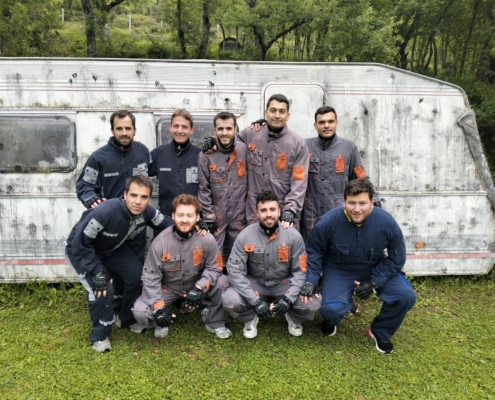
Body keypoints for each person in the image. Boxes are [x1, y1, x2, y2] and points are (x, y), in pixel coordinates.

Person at [301, 179, 416, 353]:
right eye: (352, 203)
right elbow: (314, 251)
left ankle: (380, 331)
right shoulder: (328, 221)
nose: (356, 209)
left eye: (362, 203)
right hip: (339, 269)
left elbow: (397, 257)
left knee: (405, 296)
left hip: (375, 268)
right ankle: (333, 318)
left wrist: (374, 281)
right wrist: (311, 280)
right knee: (331, 310)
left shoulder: (386, 221)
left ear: (372, 202)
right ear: (343, 201)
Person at [65, 175, 173, 352]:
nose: (138, 201)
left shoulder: (147, 212)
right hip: (82, 250)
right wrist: (97, 271)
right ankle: (99, 335)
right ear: (125, 194)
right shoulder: (104, 212)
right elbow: (80, 244)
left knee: (137, 276)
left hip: (111, 249)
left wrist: (192, 224)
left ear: (149, 199)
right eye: (133, 195)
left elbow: (167, 223)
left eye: (144, 197)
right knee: (102, 288)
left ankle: (126, 319)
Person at [222, 190, 321, 339]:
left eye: (272, 209)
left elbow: (301, 271)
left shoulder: (294, 236)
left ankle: (293, 317)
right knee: (230, 300)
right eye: (263, 210)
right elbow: (234, 270)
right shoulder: (245, 236)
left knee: (312, 303)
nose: (268, 214)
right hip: (255, 283)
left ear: (279, 211)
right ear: (257, 213)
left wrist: (288, 299)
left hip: (284, 283)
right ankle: (250, 317)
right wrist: (255, 302)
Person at [132, 194, 231, 339]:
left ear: (197, 217)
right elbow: (150, 277)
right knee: (140, 312)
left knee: (223, 282)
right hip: (169, 287)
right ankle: (161, 319)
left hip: (195, 282)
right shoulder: (160, 242)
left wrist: (199, 287)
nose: (185, 220)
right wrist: (158, 308)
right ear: (173, 216)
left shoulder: (207, 239)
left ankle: (215, 321)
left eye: (190, 215)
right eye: (180, 215)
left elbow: (215, 267)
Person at [203, 94, 309, 230]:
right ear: (265, 113)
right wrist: (213, 140)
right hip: (254, 212)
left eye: (281, 111)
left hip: (282, 214)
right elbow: (228, 139)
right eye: (273, 110)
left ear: (288, 116)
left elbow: (299, 182)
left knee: (283, 243)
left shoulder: (298, 145)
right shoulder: (250, 134)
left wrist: (290, 209)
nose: (277, 115)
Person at [76, 109, 150, 261]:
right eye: (119, 128)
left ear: (134, 130)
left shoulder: (142, 151)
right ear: (112, 130)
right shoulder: (98, 158)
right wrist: (91, 199)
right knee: (111, 269)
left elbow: (153, 171)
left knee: (136, 270)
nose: (124, 133)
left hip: (137, 227)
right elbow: (84, 186)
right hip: (111, 228)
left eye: (128, 128)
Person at [301, 106, 380, 241]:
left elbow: (360, 177)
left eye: (330, 121)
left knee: (338, 246)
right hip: (311, 213)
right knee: (311, 248)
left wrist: (375, 200)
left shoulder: (348, 147)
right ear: (315, 125)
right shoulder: (304, 146)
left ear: (336, 123)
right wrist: (264, 127)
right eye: (322, 122)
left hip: (338, 210)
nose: (326, 125)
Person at [197, 112, 247, 260]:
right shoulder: (205, 155)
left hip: (240, 213)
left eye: (228, 128)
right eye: (220, 129)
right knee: (213, 255)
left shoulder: (244, 150)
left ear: (235, 129)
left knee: (239, 254)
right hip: (217, 214)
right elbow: (204, 188)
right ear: (214, 130)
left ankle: (236, 275)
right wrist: (208, 218)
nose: (224, 133)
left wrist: (262, 122)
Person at [149, 109, 201, 217]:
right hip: (165, 217)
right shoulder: (159, 153)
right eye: (176, 126)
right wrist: (132, 147)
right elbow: (137, 169)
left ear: (191, 130)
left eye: (184, 127)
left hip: (191, 217)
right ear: (170, 127)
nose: (180, 131)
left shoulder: (200, 155)